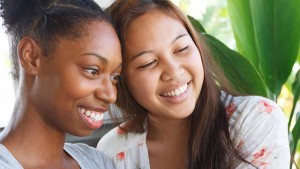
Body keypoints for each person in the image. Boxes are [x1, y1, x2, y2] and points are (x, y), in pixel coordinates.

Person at [97, 0, 290, 169]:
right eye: (149, 62)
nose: (173, 71)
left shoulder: (255, 120)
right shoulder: (113, 150)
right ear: (120, 78)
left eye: (181, 49)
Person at [0, 0, 121, 168]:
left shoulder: (99, 163)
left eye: (115, 77)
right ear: (31, 57)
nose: (111, 95)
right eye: (93, 71)